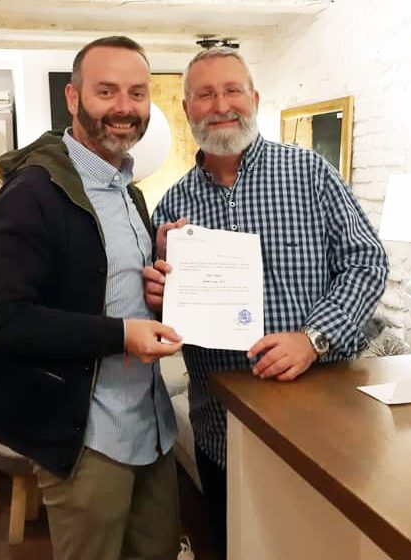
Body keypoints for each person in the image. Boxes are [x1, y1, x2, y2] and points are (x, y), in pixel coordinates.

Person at [143, 47, 389, 558]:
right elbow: (164, 321)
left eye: (232, 90)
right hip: (222, 429)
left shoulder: (310, 174)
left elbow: (368, 261)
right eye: (205, 95)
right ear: (187, 109)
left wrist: (314, 338)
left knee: (326, 548)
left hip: (322, 422)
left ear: (254, 99)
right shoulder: (172, 207)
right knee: (238, 546)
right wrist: (161, 297)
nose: (221, 105)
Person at [0, 36, 184, 560]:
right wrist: (122, 335)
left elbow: (106, 289)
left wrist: (156, 270)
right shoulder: (33, 192)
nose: (124, 107)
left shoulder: (129, 191)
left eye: (137, 93)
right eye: (106, 91)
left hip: (151, 425)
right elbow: (0, 321)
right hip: (87, 435)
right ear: (73, 97)